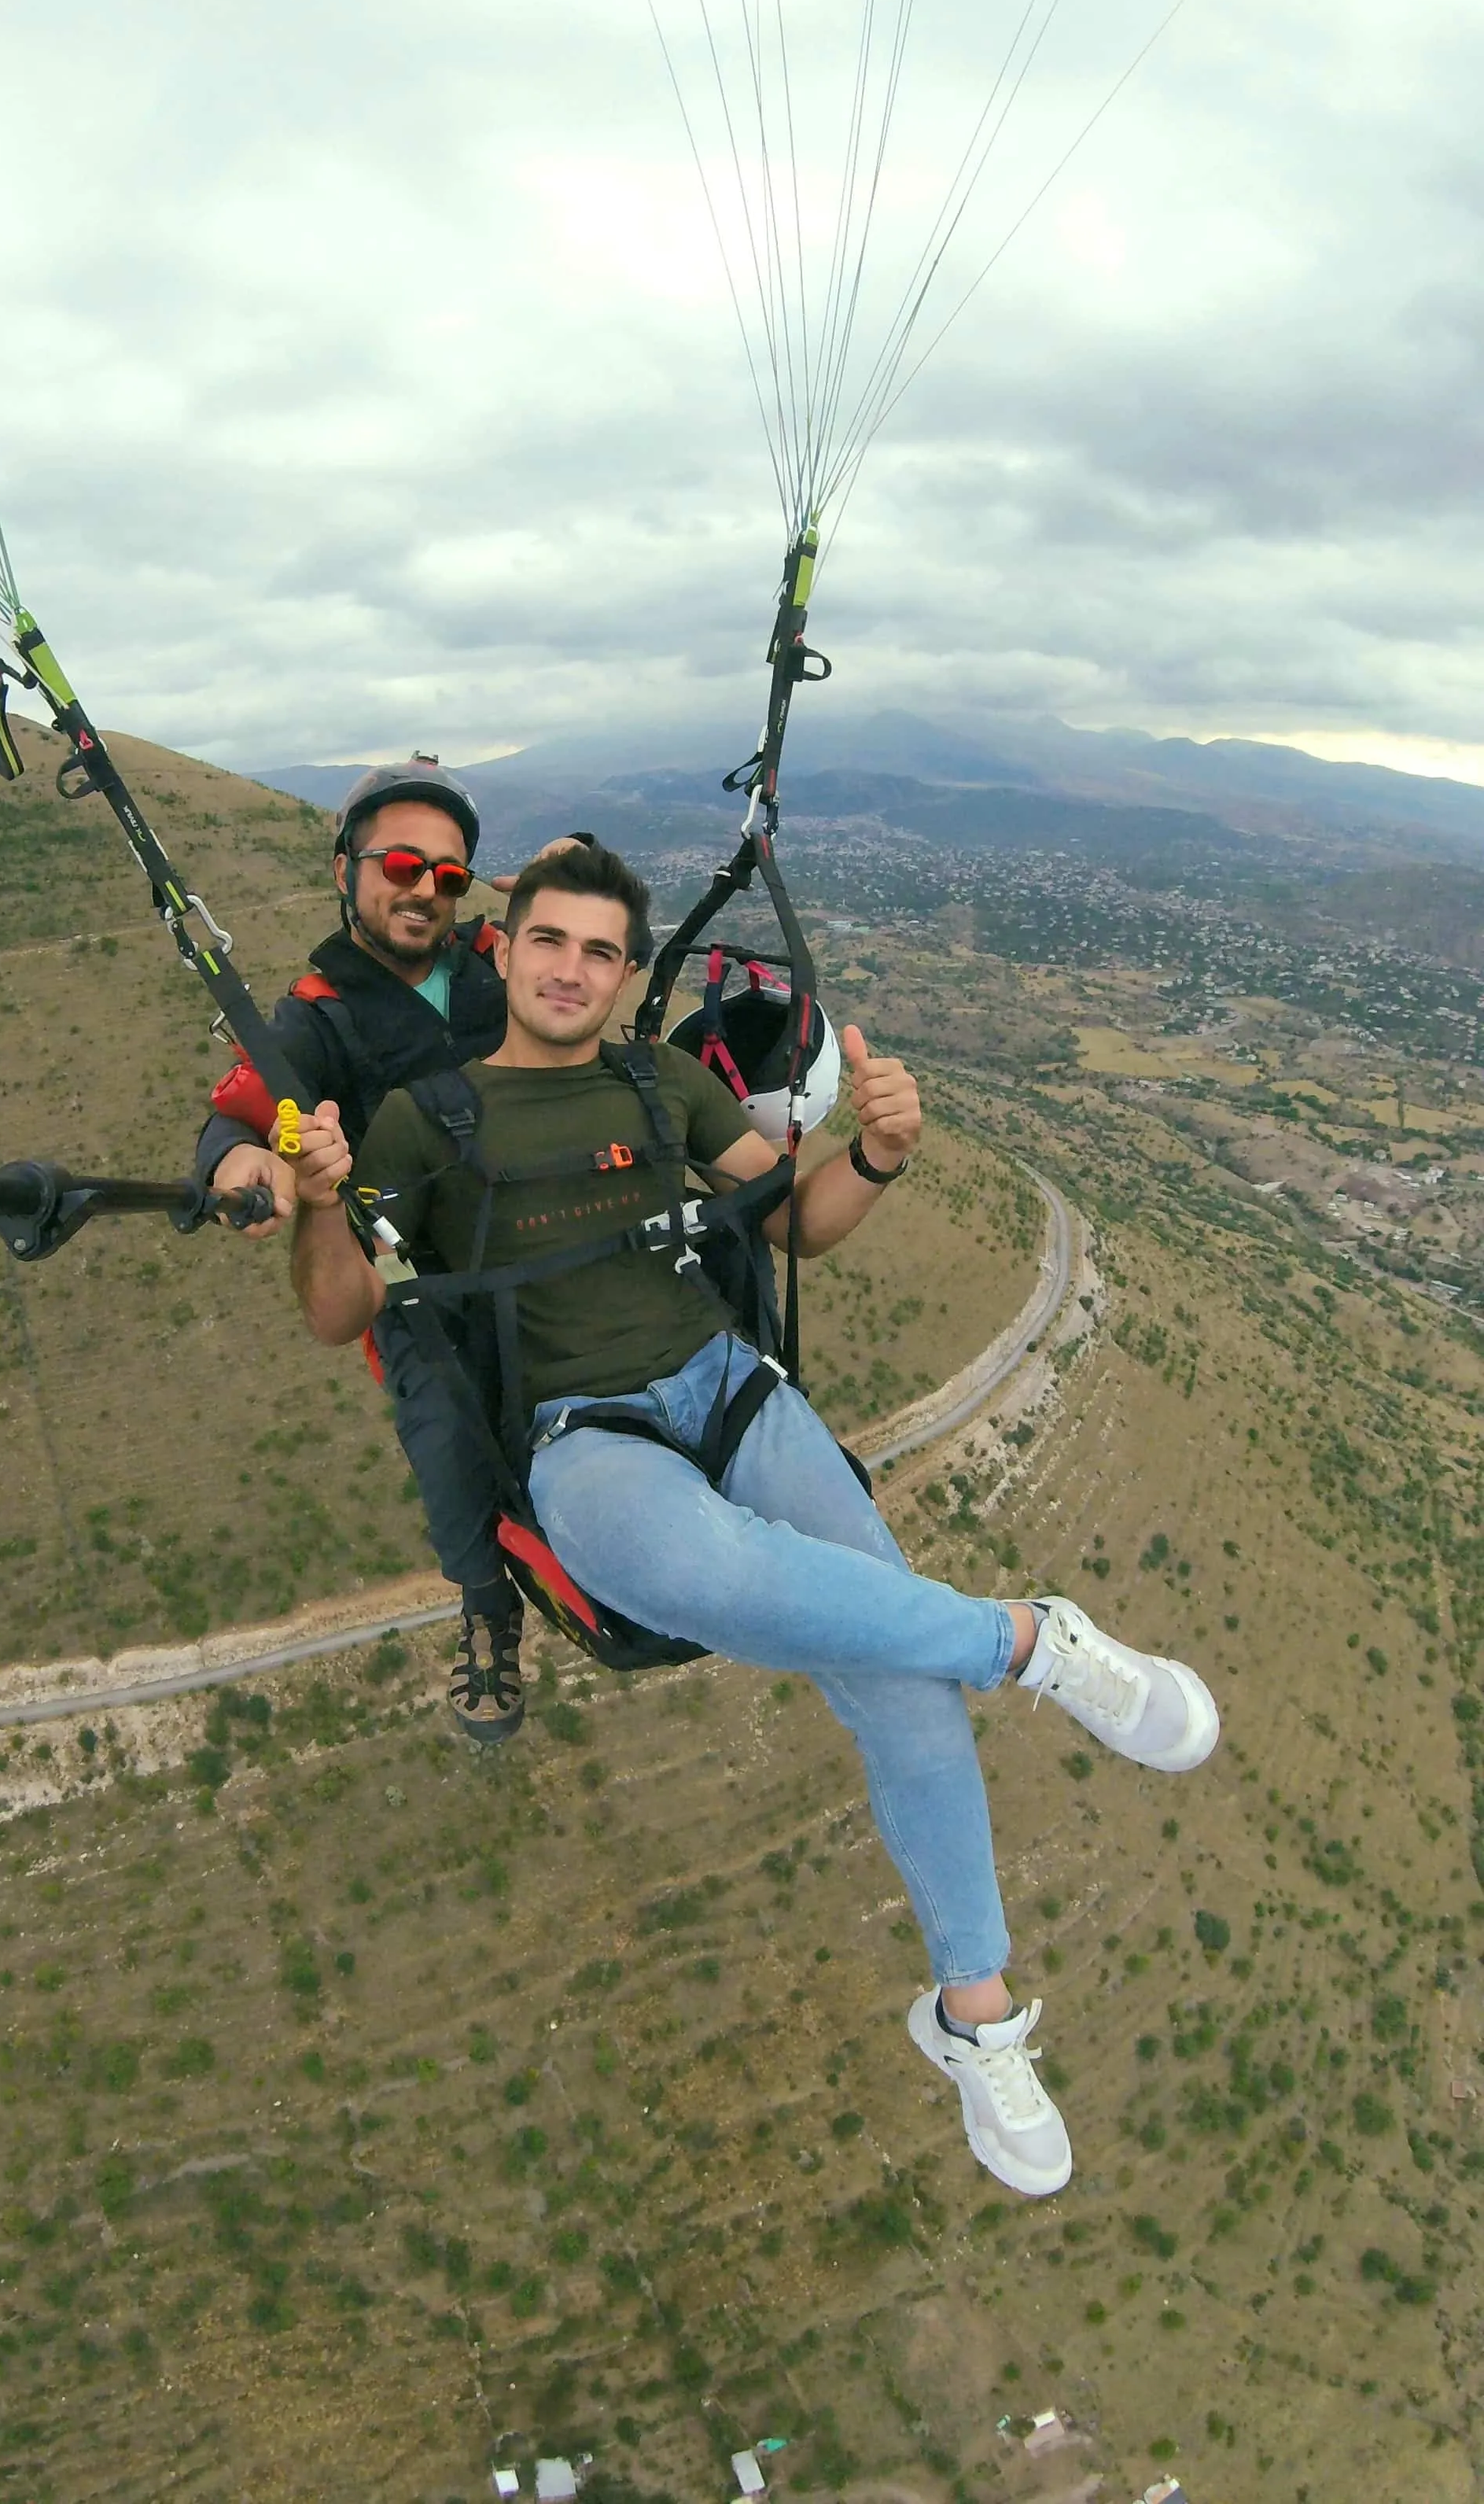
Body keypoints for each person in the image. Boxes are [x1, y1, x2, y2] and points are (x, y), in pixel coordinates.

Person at [285, 840, 1221, 2198]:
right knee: (686, 1564)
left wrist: (879, 1155)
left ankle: (974, 2015)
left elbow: (795, 1227)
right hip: (582, 1431)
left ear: (624, 974)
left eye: (600, 951)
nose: (571, 969)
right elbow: (340, 1310)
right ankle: (1031, 1640)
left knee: (901, 1677)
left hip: (729, 1385)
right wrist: (323, 1205)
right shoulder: (426, 1122)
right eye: (549, 940)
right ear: (506, 947)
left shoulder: (659, 1083)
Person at [193, 752, 574, 1745]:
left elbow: (597, 966)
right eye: (402, 866)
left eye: (447, 874)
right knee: (447, 1429)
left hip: (546, 1233)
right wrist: (239, 1164)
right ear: (346, 871)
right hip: (421, 1276)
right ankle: (487, 1604)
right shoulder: (319, 1014)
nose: (424, 889)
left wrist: (575, 883)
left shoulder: (496, 958)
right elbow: (244, 1115)